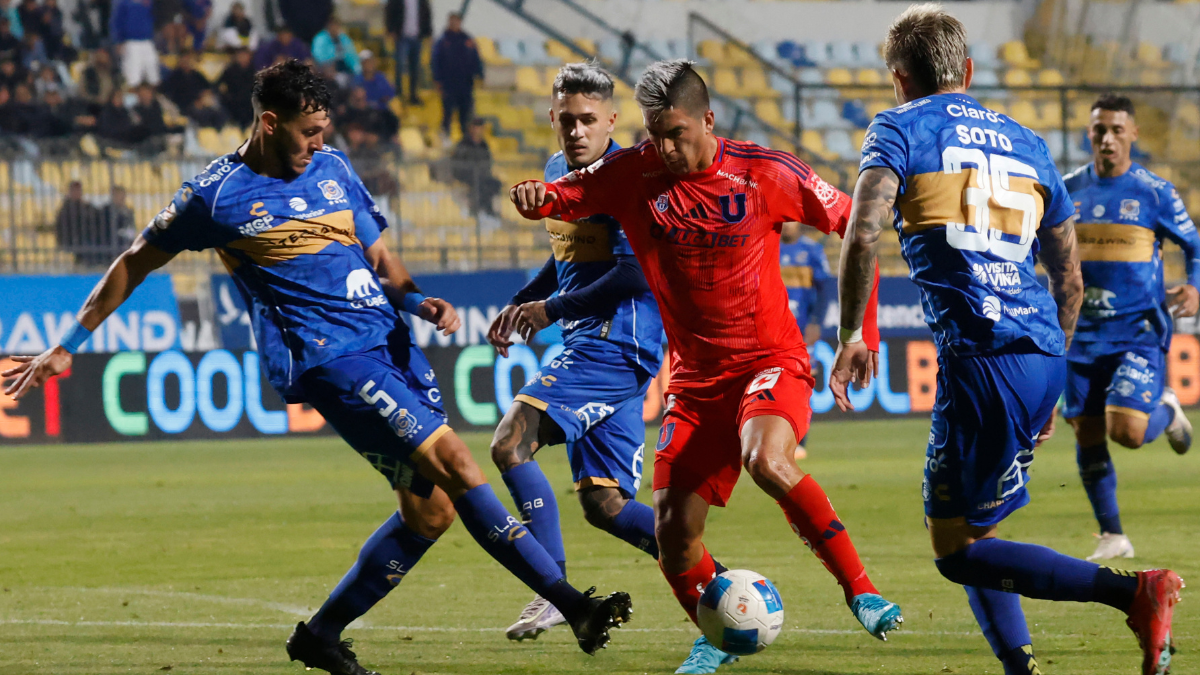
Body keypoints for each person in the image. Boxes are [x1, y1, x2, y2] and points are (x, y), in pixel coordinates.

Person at [1, 59, 633, 675]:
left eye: (323, 130)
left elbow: (378, 255)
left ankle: (321, 636)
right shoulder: (216, 196)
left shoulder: (331, 167)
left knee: (432, 510)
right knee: (460, 465)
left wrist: (418, 301)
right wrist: (66, 344)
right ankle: (573, 606)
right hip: (331, 359)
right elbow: (134, 262)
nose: (320, 142)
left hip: (389, 344)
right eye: (308, 132)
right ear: (269, 123)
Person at [510, 59, 901, 674]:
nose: (664, 147)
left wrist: (859, 331)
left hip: (770, 361)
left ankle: (861, 588)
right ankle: (716, 636)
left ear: (708, 120)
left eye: (676, 133)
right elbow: (564, 196)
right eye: (654, 133)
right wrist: (534, 198)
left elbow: (858, 227)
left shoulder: (764, 171)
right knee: (672, 535)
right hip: (693, 380)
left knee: (767, 460)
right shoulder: (632, 172)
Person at [831, 7, 1181, 675]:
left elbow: (864, 231)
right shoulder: (1029, 141)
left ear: (898, 80)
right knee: (972, 531)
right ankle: (1021, 664)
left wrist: (851, 332)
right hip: (1043, 353)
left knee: (956, 548)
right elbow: (1070, 280)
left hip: (981, 361)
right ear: (965, 71)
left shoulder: (898, 127)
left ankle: (1135, 591)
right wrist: (1051, 371)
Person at [486, 62, 668, 644]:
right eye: (566, 120)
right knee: (606, 505)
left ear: (613, 120)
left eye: (589, 120)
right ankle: (708, 572)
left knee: (511, 442)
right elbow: (566, 252)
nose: (576, 131)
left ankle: (552, 589)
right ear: (552, 118)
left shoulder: (627, 180)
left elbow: (635, 274)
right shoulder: (556, 172)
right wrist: (524, 300)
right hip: (592, 343)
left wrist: (552, 310)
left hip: (619, 341)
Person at [1060, 94, 1198, 562]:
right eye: (1099, 129)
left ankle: (1167, 410)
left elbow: (1194, 245)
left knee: (1129, 433)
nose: (1107, 138)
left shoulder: (1154, 192)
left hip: (1138, 329)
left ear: (1133, 135)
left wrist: (1195, 288)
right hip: (1081, 333)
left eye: (1118, 129)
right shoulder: (1068, 189)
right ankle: (1113, 535)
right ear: (1089, 134)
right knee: (1087, 432)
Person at [778, 222, 830, 460]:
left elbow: (824, 291)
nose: (787, 225)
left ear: (799, 222)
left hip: (801, 329)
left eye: (792, 220)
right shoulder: (768, 247)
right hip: (773, 329)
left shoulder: (812, 251)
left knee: (802, 383)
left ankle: (800, 441)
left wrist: (816, 322)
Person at [431, 12, 480, 138]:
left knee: (465, 115)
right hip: (449, 84)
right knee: (447, 113)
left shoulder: (467, 40)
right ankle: (445, 137)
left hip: (465, 84)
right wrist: (437, 80)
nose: (454, 23)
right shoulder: (442, 41)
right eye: (452, 21)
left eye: (456, 21)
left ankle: (465, 139)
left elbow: (475, 58)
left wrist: (479, 74)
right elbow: (436, 61)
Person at [450, 118, 500, 216]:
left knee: (495, 184)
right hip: (466, 175)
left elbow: (487, 162)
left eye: (480, 127)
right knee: (479, 183)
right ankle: (477, 210)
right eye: (476, 127)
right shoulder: (463, 144)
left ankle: (486, 209)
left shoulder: (484, 145)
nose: (478, 130)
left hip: (481, 174)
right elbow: (457, 164)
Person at [385, 0, 431, 105]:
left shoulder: (422, 2)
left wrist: (428, 32)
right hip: (402, 37)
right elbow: (389, 12)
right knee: (400, 66)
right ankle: (398, 93)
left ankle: (413, 94)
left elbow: (426, 15)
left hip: (417, 37)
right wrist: (391, 30)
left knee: (415, 67)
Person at [54, 180, 107, 266]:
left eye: (78, 190)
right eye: (74, 190)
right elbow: (63, 228)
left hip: (87, 237)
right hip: (73, 239)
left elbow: (98, 215)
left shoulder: (85, 206)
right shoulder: (66, 209)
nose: (77, 193)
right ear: (70, 192)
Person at [109, 0, 158, 87]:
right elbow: (117, 21)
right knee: (133, 76)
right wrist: (119, 40)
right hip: (131, 42)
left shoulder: (148, 1)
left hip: (147, 40)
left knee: (152, 72)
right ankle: (132, 99)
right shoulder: (123, 3)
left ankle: (153, 97)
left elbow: (153, 16)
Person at [217, 45, 254, 128]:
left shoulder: (254, 71)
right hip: (233, 104)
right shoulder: (229, 71)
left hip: (249, 105)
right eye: (241, 55)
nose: (243, 58)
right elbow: (220, 86)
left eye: (245, 55)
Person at [101, 184, 138, 248]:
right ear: (113, 196)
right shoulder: (106, 210)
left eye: (123, 195)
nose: (122, 198)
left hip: (126, 242)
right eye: (119, 195)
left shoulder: (128, 211)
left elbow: (132, 227)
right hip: (110, 243)